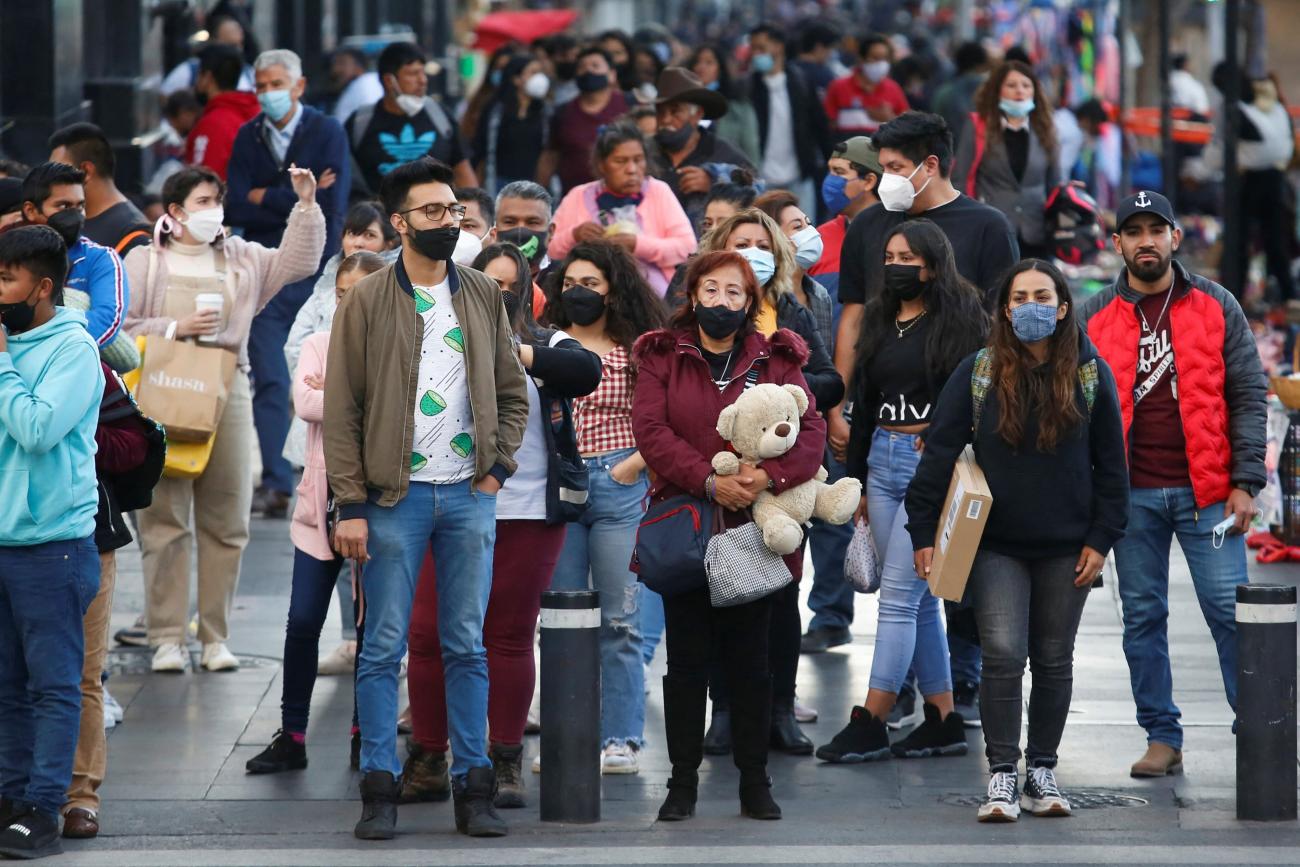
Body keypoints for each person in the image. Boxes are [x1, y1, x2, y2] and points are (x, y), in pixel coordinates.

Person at [324, 157, 528, 840]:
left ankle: (475, 788)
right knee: (381, 647)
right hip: (392, 498)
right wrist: (350, 503)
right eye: (433, 212)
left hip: (469, 494)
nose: (449, 221)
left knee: (465, 643)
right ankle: (378, 787)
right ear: (400, 221)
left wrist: (497, 468)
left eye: (453, 210)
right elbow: (343, 407)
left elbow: (509, 390)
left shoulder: (480, 292)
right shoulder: (368, 300)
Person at [907, 258, 1128, 821]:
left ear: (1061, 307)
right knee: (1004, 655)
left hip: (1069, 546)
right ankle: (1002, 774)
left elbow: (1113, 465)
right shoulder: (978, 372)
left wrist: (1102, 538)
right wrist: (923, 532)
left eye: (1042, 296)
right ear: (1005, 308)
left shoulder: (1089, 371)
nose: (1031, 306)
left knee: (1054, 659)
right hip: (996, 546)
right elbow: (937, 455)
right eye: (1020, 297)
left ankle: (1043, 768)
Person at [402, 242, 601, 807]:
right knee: (426, 634)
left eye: (512, 284)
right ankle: (427, 759)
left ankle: (504, 759)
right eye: (489, 281)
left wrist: (512, 353)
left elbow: (585, 370)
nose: (501, 291)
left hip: (526, 510)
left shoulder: (546, 341)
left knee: (506, 636)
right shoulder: (434, 333)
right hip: (440, 504)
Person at [632, 249, 828, 822]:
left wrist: (770, 475)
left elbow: (810, 426)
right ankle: (682, 784)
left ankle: (754, 783)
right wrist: (707, 483)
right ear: (693, 295)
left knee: (751, 661)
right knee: (687, 662)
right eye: (711, 290)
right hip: (688, 522)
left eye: (734, 293)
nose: (721, 302)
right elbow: (651, 430)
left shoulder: (777, 356)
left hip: (757, 529)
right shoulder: (663, 354)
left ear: (751, 301)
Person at [1080, 190, 1267, 778]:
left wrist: (1246, 480)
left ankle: (1259, 725)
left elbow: (1247, 393)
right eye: (1133, 232)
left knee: (1231, 613)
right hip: (1130, 495)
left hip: (1208, 493)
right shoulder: (1091, 316)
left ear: (1174, 238)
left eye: (1155, 230)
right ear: (1117, 245)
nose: (1146, 242)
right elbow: (1073, 407)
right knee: (1141, 616)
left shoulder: (1216, 304)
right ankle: (1162, 735)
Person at [123, 164, 325, 673]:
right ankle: (166, 634)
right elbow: (120, 328)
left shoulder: (241, 257)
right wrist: (174, 325)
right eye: (203, 200)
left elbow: (298, 262)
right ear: (174, 211)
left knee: (227, 515)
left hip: (226, 381)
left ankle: (214, 635)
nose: (214, 210)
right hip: (160, 386)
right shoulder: (144, 262)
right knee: (164, 518)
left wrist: (305, 205)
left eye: (218, 200)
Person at [814, 220, 987, 765]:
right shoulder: (882, 319)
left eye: (907, 256)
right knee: (918, 599)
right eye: (889, 255)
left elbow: (979, 397)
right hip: (883, 462)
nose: (895, 265)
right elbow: (864, 399)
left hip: (928, 469)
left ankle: (871, 718)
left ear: (933, 264)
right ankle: (942, 716)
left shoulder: (962, 321)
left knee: (898, 600)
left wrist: (942, 439)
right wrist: (861, 477)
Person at [691, 207, 841, 755]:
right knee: (717, 598)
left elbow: (829, 379)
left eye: (761, 243)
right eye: (740, 242)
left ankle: (779, 709)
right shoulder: (691, 317)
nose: (751, 251)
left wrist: (787, 406)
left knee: (780, 601)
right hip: (716, 480)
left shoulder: (791, 314)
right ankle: (725, 710)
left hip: (779, 484)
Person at [244, 250, 387, 776]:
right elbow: (306, 405)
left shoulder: (399, 350)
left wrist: (340, 394)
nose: (351, 303)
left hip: (381, 509)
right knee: (303, 620)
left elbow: (396, 414)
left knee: (375, 627)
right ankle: (293, 733)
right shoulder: (317, 344)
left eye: (363, 293)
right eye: (343, 293)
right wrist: (362, 399)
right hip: (316, 509)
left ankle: (363, 734)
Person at [543, 240, 668, 774]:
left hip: (620, 484)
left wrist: (635, 463)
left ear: (613, 290)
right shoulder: (546, 341)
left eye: (591, 283)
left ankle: (621, 739)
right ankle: (567, 739)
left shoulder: (637, 347)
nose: (579, 292)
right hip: (560, 486)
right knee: (562, 620)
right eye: (571, 282)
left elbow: (663, 414)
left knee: (620, 620)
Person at [0, 226, 103, 861]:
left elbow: (37, 429)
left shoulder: (72, 349)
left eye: (6, 279)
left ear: (42, 287)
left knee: (55, 684)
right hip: (4, 540)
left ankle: (43, 806)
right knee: (7, 685)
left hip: (52, 545)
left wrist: (3, 363)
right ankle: (11, 797)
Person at [227, 48, 350, 519]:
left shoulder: (327, 130)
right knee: (271, 378)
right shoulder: (247, 135)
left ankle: (329, 472)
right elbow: (236, 205)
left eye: (276, 84)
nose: (267, 93)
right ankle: (278, 482)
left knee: (328, 376)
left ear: (299, 86)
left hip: (318, 267)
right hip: (266, 270)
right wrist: (297, 194)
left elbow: (330, 201)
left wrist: (268, 196)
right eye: (260, 85)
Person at [61, 359, 159, 842]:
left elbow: (135, 442)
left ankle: (81, 796)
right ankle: (23, 789)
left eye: (7, 277)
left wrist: (72, 434)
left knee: (84, 672)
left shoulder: (84, 358)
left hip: (85, 535)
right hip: (11, 536)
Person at [549, 122, 696, 299]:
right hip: (587, 297)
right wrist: (574, 235)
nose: (632, 170)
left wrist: (637, 245)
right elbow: (549, 248)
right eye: (620, 161)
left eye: (638, 159)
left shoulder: (658, 191)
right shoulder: (578, 196)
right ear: (602, 165)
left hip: (654, 295)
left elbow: (687, 247)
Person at [19, 162, 135, 371]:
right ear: (30, 210)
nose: (74, 214)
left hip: (73, 372)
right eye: (63, 206)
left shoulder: (101, 259)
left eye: (80, 206)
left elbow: (106, 321)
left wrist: (48, 350)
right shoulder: (10, 256)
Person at [952, 61, 1060, 260]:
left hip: (1036, 232)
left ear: (1034, 91)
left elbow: (1055, 184)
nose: (1019, 91)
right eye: (1011, 85)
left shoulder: (1045, 128)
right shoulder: (978, 127)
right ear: (997, 90)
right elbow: (961, 178)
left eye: (1026, 86)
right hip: (993, 230)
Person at [346, 41, 477, 196]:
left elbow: (464, 174)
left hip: (436, 217)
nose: (423, 80)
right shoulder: (360, 123)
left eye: (423, 72)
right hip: (382, 217)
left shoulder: (440, 116)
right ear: (389, 81)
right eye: (413, 74)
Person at [652, 67, 754, 234]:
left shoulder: (723, 153)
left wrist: (716, 183)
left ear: (697, 113)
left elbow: (756, 193)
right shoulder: (643, 153)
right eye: (660, 112)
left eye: (675, 111)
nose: (665, 119)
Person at [748, 25, 832, 215]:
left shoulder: (801, 82)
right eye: (753, 48)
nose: (756, 54)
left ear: (778, 47)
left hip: (799, 175)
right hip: (761, 179)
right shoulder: (748, 88)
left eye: (761, 48)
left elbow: (820, 126)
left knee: (804, 236)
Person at [1234, 75, 1297, 303]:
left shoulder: (1246, 110)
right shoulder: (1280, 111)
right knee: (1275, 242)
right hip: (1275, 180)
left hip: (1253, 181)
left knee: (1242, 241)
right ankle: (1288, 295)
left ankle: (1238, 295)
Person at [536, 47, 631, 195]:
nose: (588, 71)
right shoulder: (562, 112)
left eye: (595, 66)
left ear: (611, 75)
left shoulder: (630, 106)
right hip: (575, 199)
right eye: (582, 67)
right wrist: (538, 194)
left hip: (624, 199)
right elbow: (550, 157)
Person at [47, 123, 151, 256]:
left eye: (58, 171)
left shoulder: (134, 236)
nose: (51, 180)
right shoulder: (65, 224)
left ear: (85, 171)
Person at [808, 136, 880, 313]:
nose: (830, 181)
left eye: (839, 172)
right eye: (830, 171)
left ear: (869, 181)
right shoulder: (818, 239)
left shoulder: (898, 237)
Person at [470, 53, 551, 195]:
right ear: (516, 79)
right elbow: (479, 148)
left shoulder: (545, 112)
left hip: (534, 186)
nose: (539, 78)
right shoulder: (495, 111)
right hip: (498, 184)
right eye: (533, 73)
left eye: (540, 72)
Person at [186, 43, 262, 180]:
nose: (196, 82)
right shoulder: (255, 112)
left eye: (199, 75)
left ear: (207, 78)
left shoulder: (212, 125)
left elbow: (201, 185)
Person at [824, 33, 909, 138]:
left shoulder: (893, 89)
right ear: (861, 59)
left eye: (885, 59)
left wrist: (889, 119)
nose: (881, 64)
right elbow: (828, 127)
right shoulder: (838, 87)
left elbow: (907, 129)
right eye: (875, 58)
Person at [688, 44, 761, 165]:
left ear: (720, 68)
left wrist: (752, 178)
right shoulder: (684, 104)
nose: (701, 67)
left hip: (729, 175)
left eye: (709, 62)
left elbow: (751, 148)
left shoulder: (737, 107)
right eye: (697, 62)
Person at [160, 14, 255, 96]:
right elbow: (165, 94)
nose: (235, 51)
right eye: (231, 46)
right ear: (215, 41)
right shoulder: (191, 70)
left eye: (239, 45)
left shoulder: (249, 74)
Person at [931, 41, 989, 149]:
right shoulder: (991, 91)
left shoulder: (943, 93)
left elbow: (935, 129)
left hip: (951, 157)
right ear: (981, 65)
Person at [330, 47, 384, 125]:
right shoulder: (358, 85)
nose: (335, 70)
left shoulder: (366, 85)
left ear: (358, 67)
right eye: (335, 64)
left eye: (342, 63)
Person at [792, 21, 843, 102]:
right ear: (818, 48)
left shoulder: (788, 69)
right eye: (830, 49)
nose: (830, 54)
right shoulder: (824, 75)